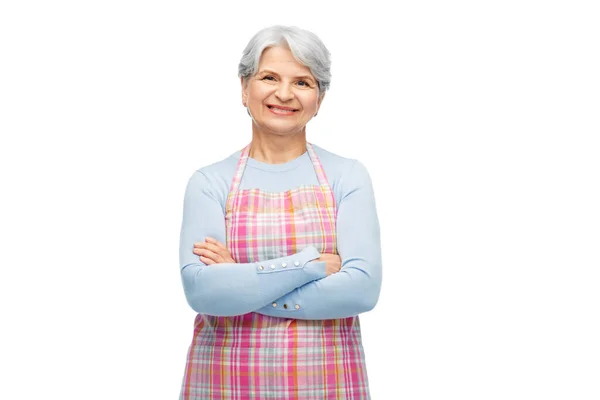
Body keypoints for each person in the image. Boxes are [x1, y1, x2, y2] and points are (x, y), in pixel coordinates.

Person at [178, 25, 382, 399]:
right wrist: (310, 266)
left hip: (325, 385)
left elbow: (361, 291)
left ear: (319, 98)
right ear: (244, 88)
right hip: (223, 383)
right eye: (269, 77)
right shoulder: (209, 183)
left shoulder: (347, 176)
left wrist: (240, 284)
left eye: (302, 82)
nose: (284, 94)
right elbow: (203, 292)